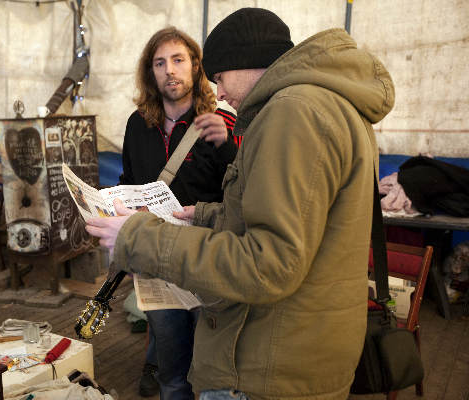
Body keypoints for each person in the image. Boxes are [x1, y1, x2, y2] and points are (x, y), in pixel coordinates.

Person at [87, 7, 395, 400]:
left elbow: (267, 263)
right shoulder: (330, 103)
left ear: (244, 61)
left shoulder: (292, 112)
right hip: (300, 346)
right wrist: (205, 213)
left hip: (268, 363)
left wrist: (139, 239)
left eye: (219, 77)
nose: (221, 93)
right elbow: (295, 216)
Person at [120, 27, 239, 399]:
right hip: (157, 263)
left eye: (178, 60)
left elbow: (244, 194)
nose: (170, 70)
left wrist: (225, 146)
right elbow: (129, 180)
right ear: (150, 72)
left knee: (213, 371)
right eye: (160, 63)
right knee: (171, 374)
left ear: (195, 66)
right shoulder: (136, 125)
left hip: (208, 260)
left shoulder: (223, 121)